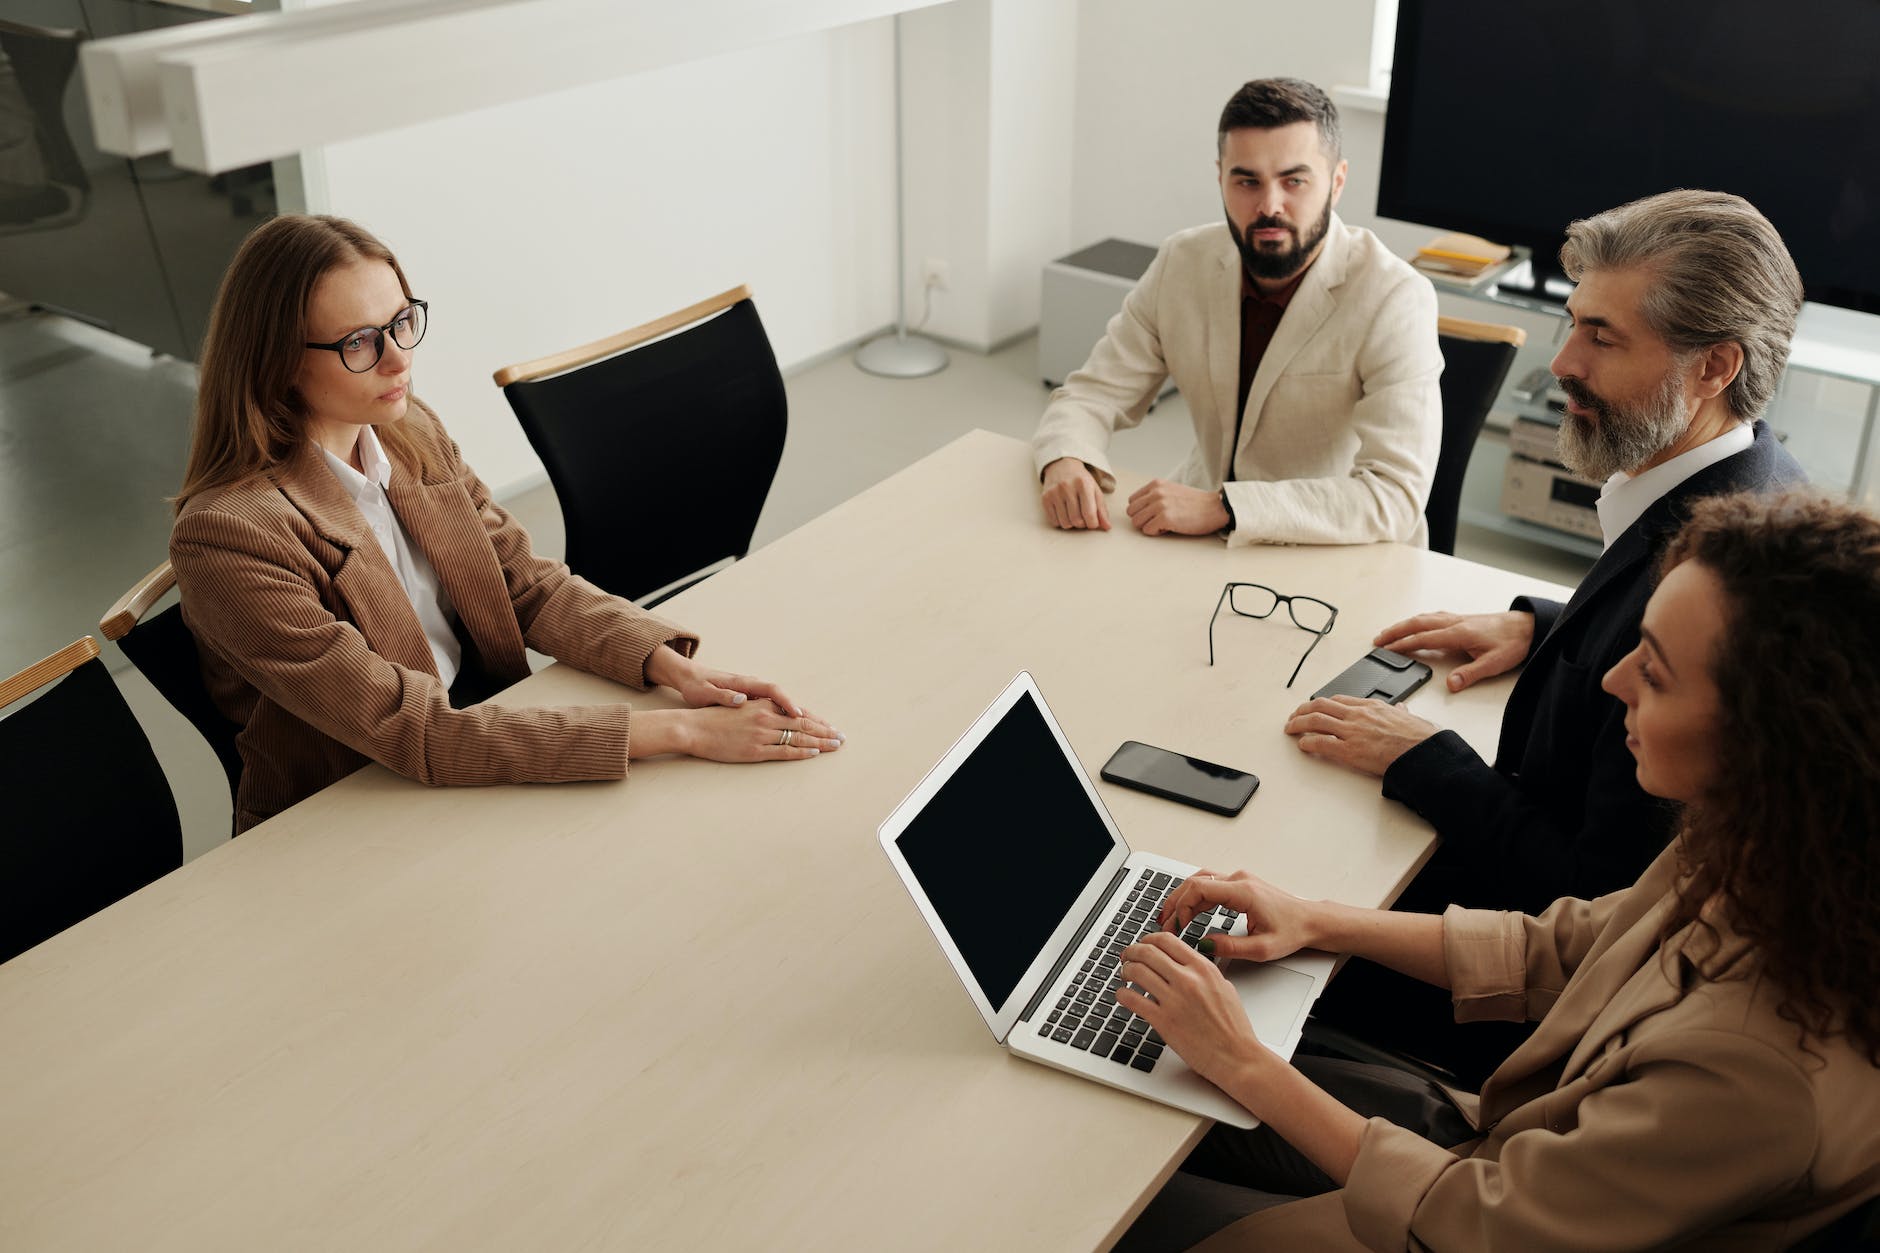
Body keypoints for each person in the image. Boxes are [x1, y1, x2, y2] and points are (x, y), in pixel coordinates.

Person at [1111, 490, 1880, 1252]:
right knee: (1149, 1099)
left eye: (1656, 672)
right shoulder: (1774, 846)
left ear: (1773, 740)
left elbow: (1484, 1222)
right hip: (1508, 1154)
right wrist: (1316, 917)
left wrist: (1242, 1060)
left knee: (1119, 1204)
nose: (1613, 682)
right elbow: (1563, 944)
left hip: (1474, 1217)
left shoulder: (1756, 1071)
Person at [1285, 189, 1807, 1083]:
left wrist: (1429, 759)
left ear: (1714, 366)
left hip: (1525, 1010)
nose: (1563, 360)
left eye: (1605, 338)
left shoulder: (1704, 594)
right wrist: (1547, 625)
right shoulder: (1753, 484)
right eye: (1573, 323)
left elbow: (1587, 895)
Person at [171, 214, 841, 833]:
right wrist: (682, 734)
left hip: (480, 730)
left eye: (403, 322)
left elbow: (523, 582)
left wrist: (674, 670)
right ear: (278, 361)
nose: (399, 358)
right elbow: (415, 732)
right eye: (359, 342)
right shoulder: (230, 538)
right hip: (356, 808)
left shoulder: (409, 430)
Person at [1031, 77, 1441, 546]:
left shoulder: (1395, 297)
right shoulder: (1181, 262)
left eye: (1294, 181)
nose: (1269, 206)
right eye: (1247, 180)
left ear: (1337, 182)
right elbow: (1093, 395)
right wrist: (1064, 456)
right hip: (1199, 536)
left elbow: (1395, 495)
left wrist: (1224, 507)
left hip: (1338, 545)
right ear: (1221, 177)